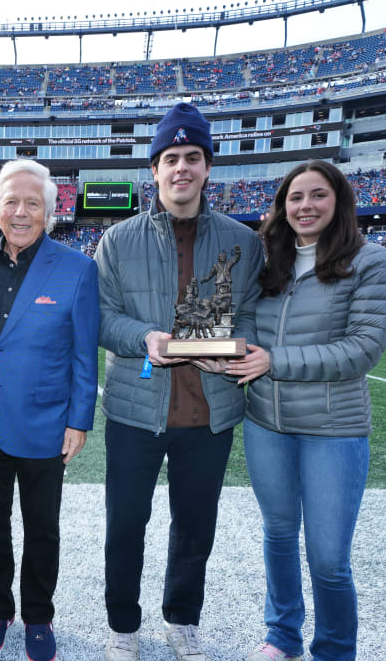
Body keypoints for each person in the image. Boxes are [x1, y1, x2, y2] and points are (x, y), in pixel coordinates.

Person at [95, 102, 263, 661]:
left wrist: (234, 352)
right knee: (126, 525)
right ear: (155, 168)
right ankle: (123, 625)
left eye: (193, 157)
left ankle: (182, 619)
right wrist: (144, 335)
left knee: (195, 527)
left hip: (209, 410)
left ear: (208, 167)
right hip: (135, 409)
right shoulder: (118, 240)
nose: (182, 168)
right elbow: (101, 316)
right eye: (171, 158)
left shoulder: (245, 241)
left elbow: (254, 315)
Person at [225, 160, 386, 661]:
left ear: (338, 201)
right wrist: (232, 349)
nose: (305, 206)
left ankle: (335, 650)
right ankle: (282, 635)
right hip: (266, 424)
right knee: (278, 535)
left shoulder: (370, 260)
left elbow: (362, 349)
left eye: (317, 195)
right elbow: (249, 326)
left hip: (332, 428)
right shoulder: (268, 261)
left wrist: (272, 360)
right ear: (282, 206)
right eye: (295, 197)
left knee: (327, 558)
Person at [0, 158, 99, 661]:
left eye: (32, 203)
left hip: (44, 422)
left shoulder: (79, 268)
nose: (21, 212)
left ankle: (39, 617)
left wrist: (79, 420)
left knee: (43, 529)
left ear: (50, 211)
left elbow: (85, 355)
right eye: (11, 201)